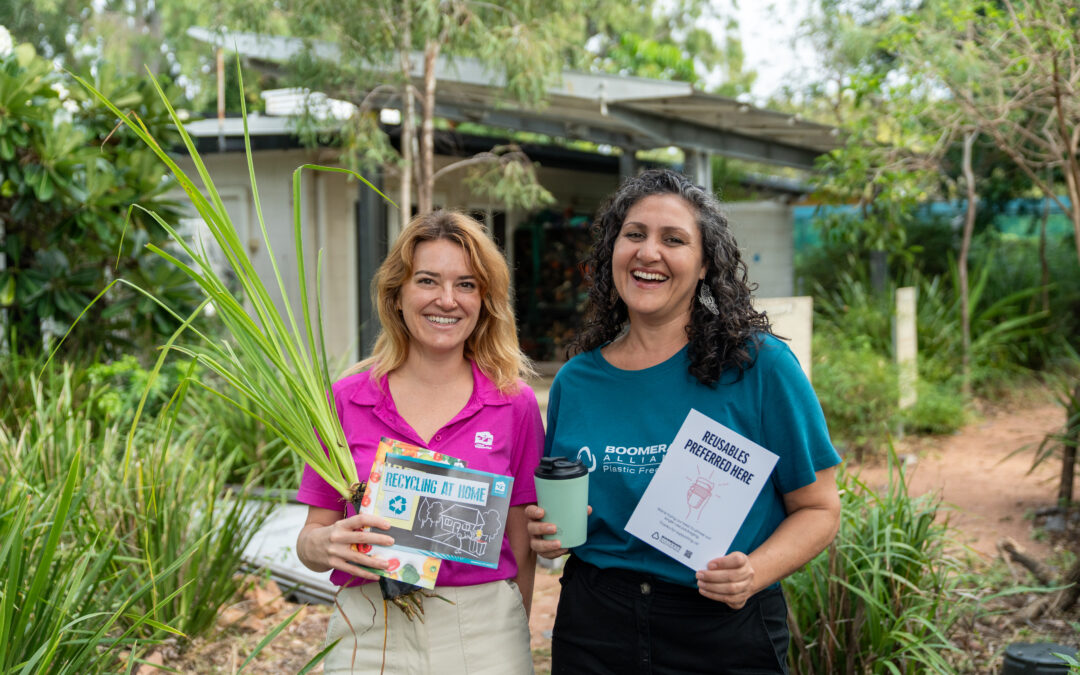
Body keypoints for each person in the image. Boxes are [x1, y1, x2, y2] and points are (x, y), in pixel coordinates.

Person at [527, 169, 842, 674]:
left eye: (673, 240)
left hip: (722, 626)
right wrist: (549, 535)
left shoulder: (759, 367)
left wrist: (754, 571)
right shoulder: (576, 382)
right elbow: (564, 517)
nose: (649, 252)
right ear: (612, 252)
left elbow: (820, 509)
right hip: (595, 626)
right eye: (634, 235)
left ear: (703, 266)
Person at [296, 210, 543, 674]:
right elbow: (310, 538)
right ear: (398, 293)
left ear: (485, 299)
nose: (447, 300)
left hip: (483, 629)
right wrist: (324, 544)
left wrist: (513, 628)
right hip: (370, 629)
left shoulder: (515, 403)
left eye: (467, 284)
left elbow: (521, 542)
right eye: (428, 280)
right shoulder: (345, 400)